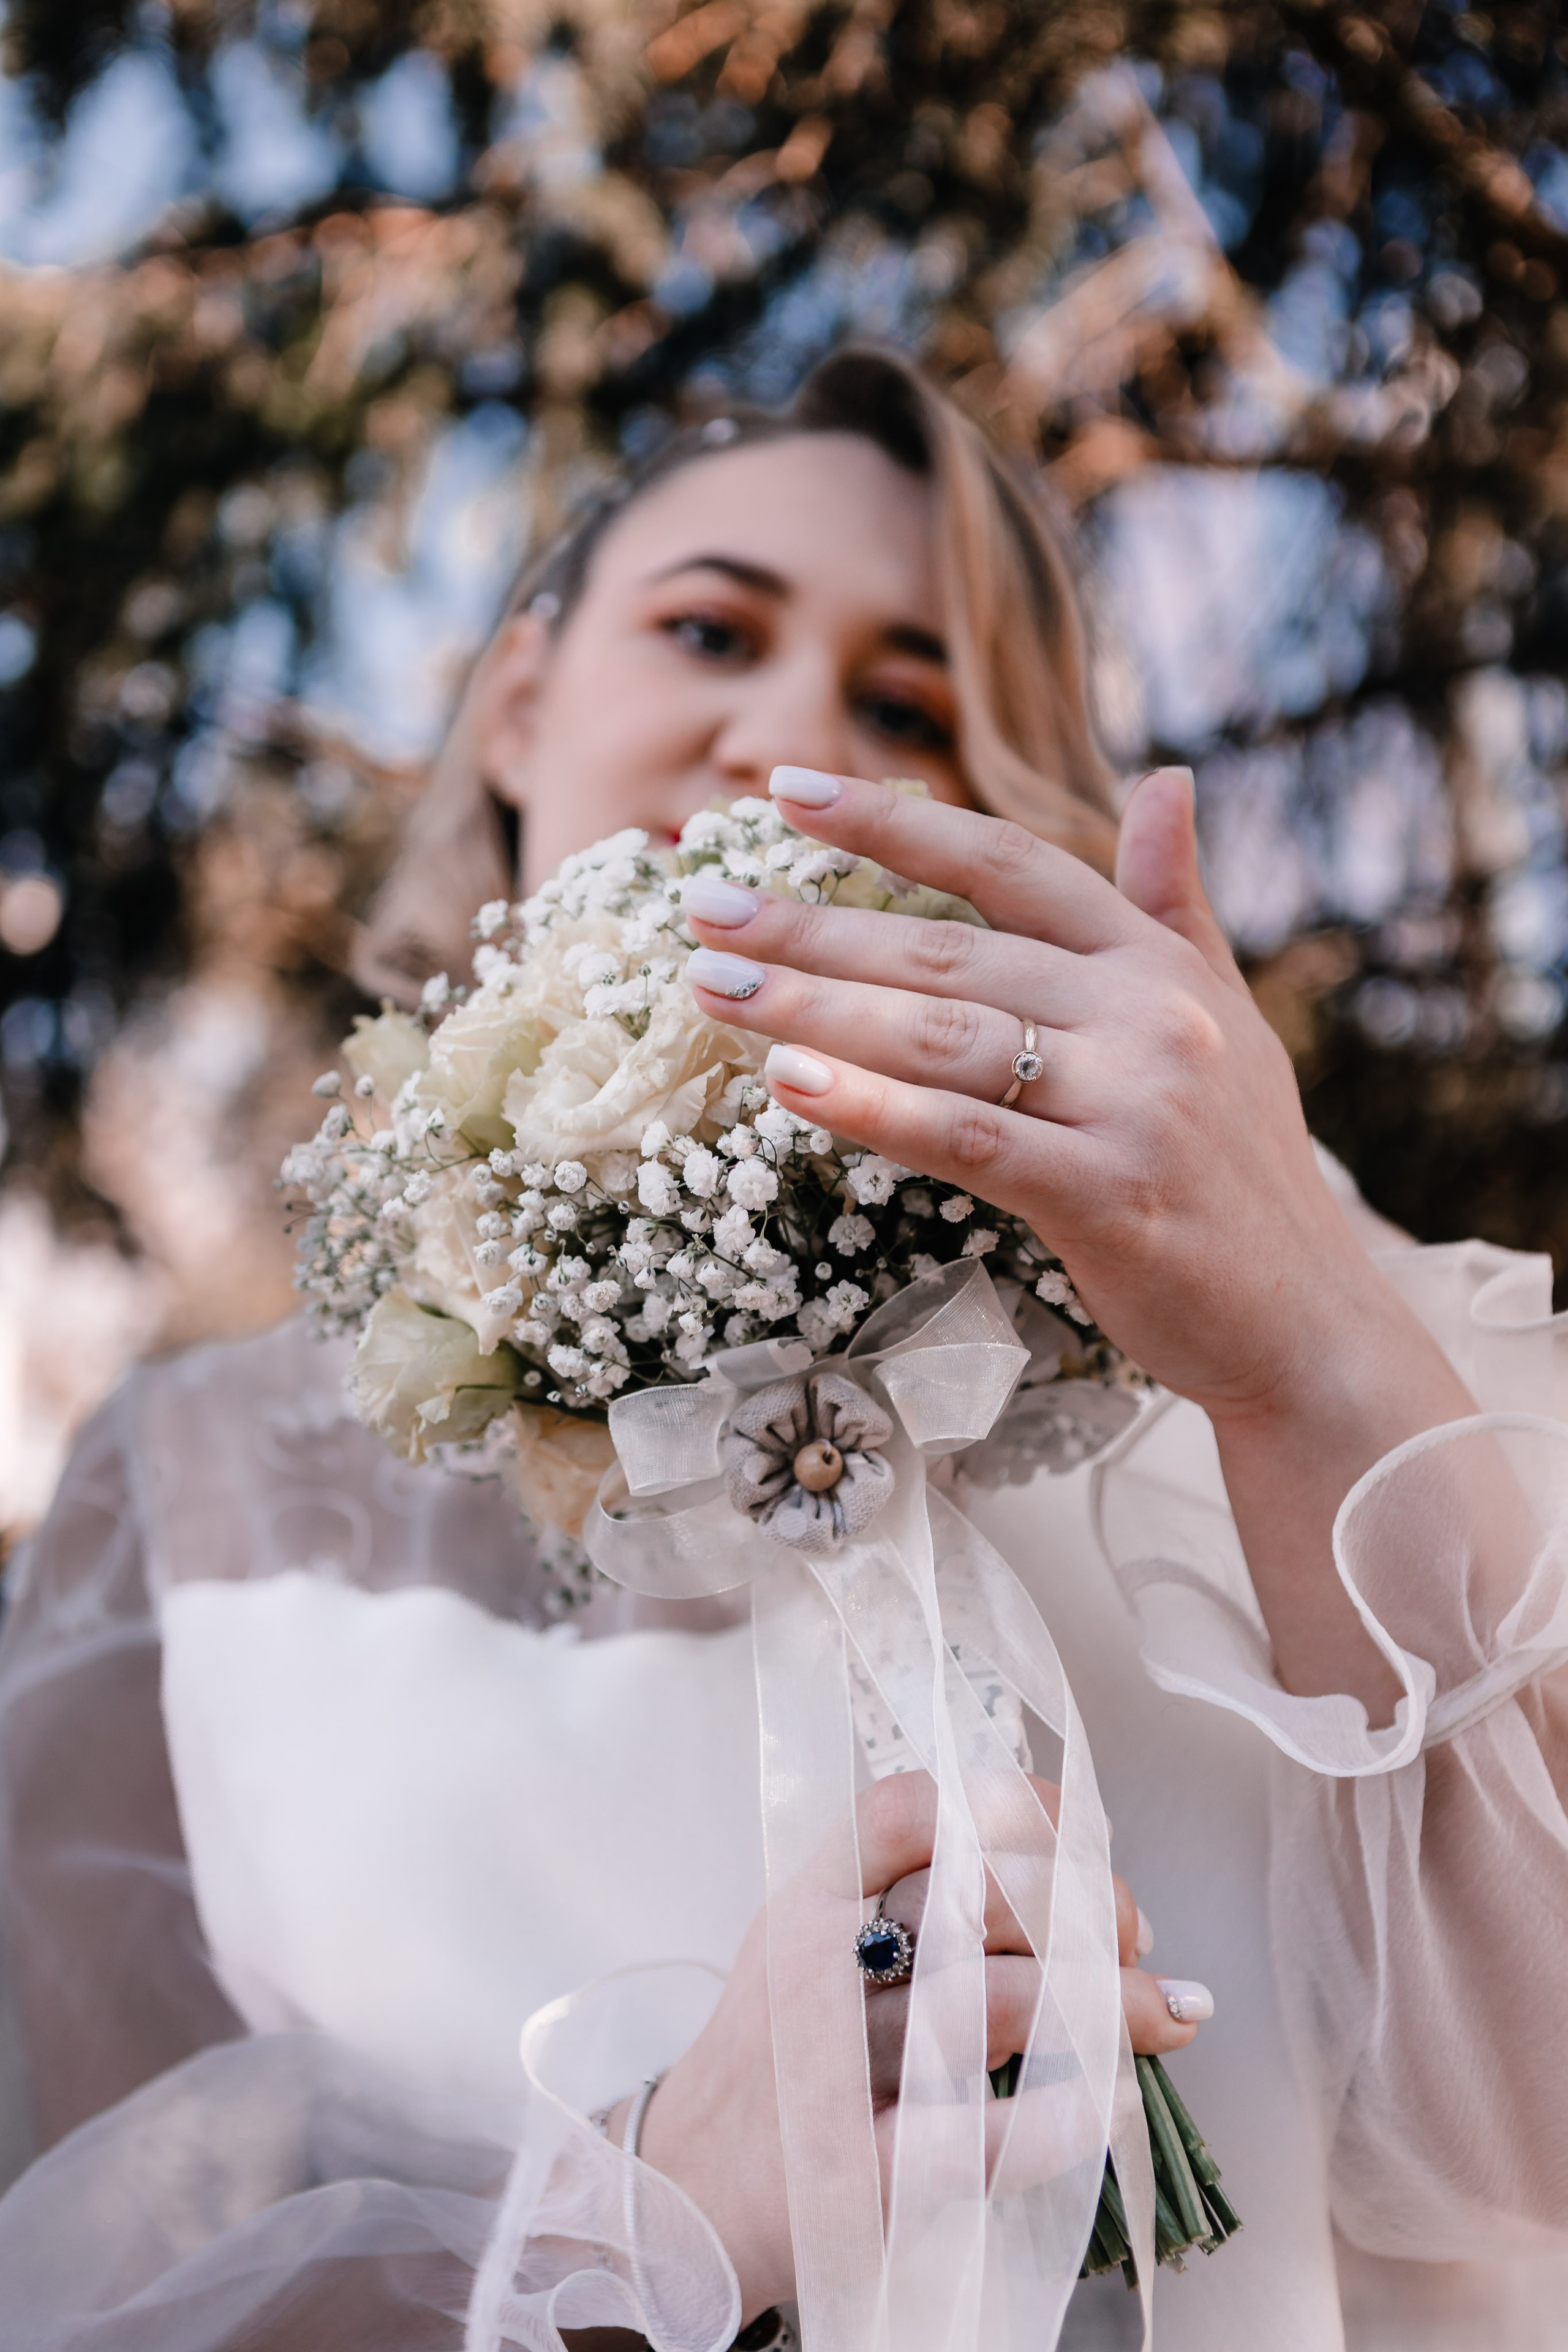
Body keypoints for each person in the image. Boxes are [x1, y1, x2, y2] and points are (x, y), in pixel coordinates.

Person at [0, 347, 1562, 2352]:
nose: (791, 735)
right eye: (709, 630)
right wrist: (632, 2219)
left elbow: (1534, 2140)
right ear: (519, 702)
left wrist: (1302, 1356)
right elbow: (100, 2269)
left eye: (910, 705)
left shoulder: (1276, 1289)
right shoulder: (197, 1482)